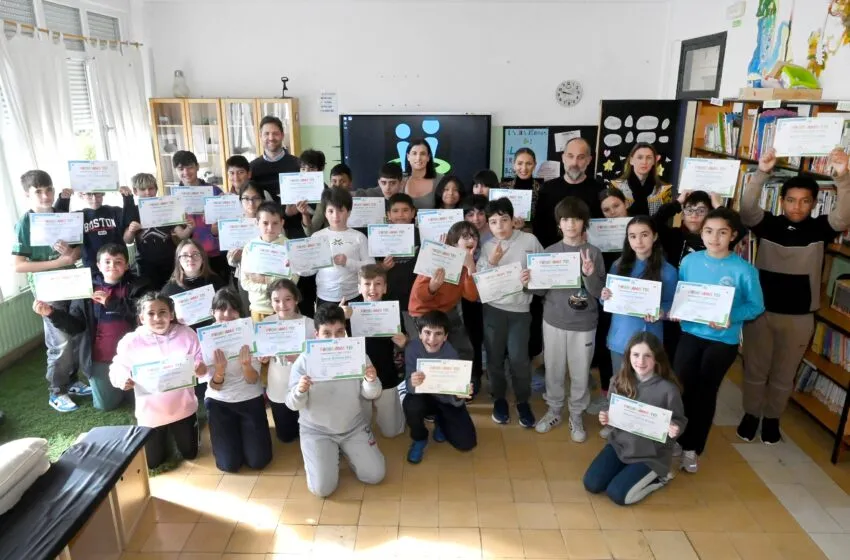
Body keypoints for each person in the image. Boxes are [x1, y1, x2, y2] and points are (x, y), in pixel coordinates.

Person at [737, 147, 850, 444]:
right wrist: (762, 172)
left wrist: (843, 177)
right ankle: (751, 414)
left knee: (784, 375)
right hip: (760, 313)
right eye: (791, 200)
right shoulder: (768, 224)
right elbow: (747, 210)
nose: (797, 207)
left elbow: (843, 216)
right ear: (782, 201)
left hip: (800, 318)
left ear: (813, 204)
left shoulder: (820, 228)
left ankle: (772, 418)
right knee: (755, 369)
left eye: (804, 202)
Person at [674, 207, 764, 473]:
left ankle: (693, 448)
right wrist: (680, 310)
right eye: (709, 231)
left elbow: (756, 306)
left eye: (722, 232)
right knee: (683, 388)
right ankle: (678, 437)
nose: (714, 238)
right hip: (690, 334)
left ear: (733, 235)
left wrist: (730, 316)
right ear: (701, 233)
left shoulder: (744, 271)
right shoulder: (690, 262)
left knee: (705, 393)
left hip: (722, 340)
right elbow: (683, 292)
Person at [285, 304, 385, 497]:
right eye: (327, 333)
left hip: (352, 425)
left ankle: (346, 450)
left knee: (375, 475)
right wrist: (300, 390)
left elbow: (372, 394)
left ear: (345, 331)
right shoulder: (304, 361)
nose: (334, 339)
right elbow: (291, 403)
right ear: (316, 334)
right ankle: (323, 453)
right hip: (316, 430)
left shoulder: (356, 354)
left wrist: (370, 380)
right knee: (322, 489)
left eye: (339, 332)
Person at [33, 243, 148, 411]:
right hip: (100, 358)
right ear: (98, 265)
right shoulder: (86, 289)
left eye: (118, 262)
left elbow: (143, 316)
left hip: (134, 356)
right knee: (106, 405)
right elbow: (76, 326)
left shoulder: (139, 285)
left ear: (126, 265)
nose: (112, 266)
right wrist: (51, 313)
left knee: (138, 397)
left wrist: (111, 303)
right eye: (107, 262)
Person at [529, 197, 605, 441]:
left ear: (585, 223)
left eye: (576, 219)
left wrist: (589, 274)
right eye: (565, 219)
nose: (571, 224)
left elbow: (598, 293)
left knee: (581, 372)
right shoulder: (550, 252)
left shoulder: (594, 253)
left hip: (583, 324)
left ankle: (576, 414)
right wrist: (528, 282)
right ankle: (553, 409)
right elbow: (540, 292)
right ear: (558, 224)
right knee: (553, 368)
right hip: (553, 321)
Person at [584, 332, 686, 506]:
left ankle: (658, 480)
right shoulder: (618, 380)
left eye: (648, 356)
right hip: (620, 447)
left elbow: (679, 420)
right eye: (636, 355)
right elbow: (611, 408)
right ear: (628, 356)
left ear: (657, 359)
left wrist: (674, 427)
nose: (641, 361)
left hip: (651, 455)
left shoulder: (668, 390)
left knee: (619, 495)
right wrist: (606, 416)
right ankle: (628, 472)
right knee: (592, 484)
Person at [14, 170, 87, 412]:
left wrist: (70, 253)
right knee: (60, 341)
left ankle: (73, 380)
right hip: (48, 290)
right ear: (27, 195)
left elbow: (76, 251)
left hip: (71, 282)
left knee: (75, 331)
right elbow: (20, 265)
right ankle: (57, 391)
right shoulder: (25, 223)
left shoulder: (62, 216)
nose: (45, 196)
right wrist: (56, 263)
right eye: (38, 192)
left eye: (49, 190)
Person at [598, 217, 677, 438]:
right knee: (619, 383)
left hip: (648, 339)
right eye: (633, 236)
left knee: (646, 387)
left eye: (644, 235)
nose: (639, 241)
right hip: (620, 337)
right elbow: (608, 302)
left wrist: (661, 312)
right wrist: (604, 296)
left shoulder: (668, 271)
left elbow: (673, 305)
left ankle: (641, 429)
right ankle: (616, 422)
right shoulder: (618, 264)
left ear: (655, 236)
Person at [109, 292, 206, 469]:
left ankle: (185, 429)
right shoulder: (131, 341)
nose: (157, 318)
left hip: (183, 407)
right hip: (151, 412)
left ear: (171, 315)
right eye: (150, 314)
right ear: (141, 318)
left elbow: (200, 357)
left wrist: (200, 366)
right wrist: (122, 379)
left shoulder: (187, 334)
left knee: (191, 453)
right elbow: (117, 366)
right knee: (153, 462)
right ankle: (160, 434)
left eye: (162, 312)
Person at [478, 198, 544, 427]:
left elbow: (544, 269)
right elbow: (480, 284)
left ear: (512, 219)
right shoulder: (486, 247)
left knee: (518, 358)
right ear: (488, 224)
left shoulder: (529, 240)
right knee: (494, 358)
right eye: (494, 222)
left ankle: (523, 400)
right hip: (494, 310)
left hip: (520, 310)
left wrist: (532, 277)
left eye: (504, 220)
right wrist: (492, 263)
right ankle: (499, 398)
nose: (500, 226)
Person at [204, 288, 272, 473]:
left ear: (240, 313)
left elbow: (253, 380)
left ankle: (246, 435)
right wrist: (219, 371)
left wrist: (246, 366)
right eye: (221, 309)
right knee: (229, 465)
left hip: (250, 398)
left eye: (233, 309)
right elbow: (213, 386)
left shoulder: (250, 335)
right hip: (220, 401)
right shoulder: (206, 338)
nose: (227, 314)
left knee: (259, 461)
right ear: (212, 313)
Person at [652, 189, 723, 362]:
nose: (694, 215)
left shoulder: (717, 240)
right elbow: (652, 223)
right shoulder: (675, 236)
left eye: (701, 211)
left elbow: (739, 230)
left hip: (703, 304)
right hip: (674, 304)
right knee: (671, 353)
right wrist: (677, 203)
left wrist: (719, 207)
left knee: (695, 356)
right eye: (689, 210)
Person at [402, 310, 477, 463]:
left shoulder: (452, 353)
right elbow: (409, 386)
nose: (432, 339)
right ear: (420, 333)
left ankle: (441, 422)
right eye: (427, 333)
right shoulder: (412, 349)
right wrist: (412, 382)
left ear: (446, 336)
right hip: (423, 397)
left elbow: (456, 394)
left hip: (445, 399)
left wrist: (460, 393)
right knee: (411, 405)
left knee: (467, 443)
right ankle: (420, 438)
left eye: (438, 334)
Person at [343, 265, 407, 437]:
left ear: (385, 287)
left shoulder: (391, 310)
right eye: (367, 284)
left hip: (386, 372)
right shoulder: (348, 311)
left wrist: (403, 342)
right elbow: (335, 343)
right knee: (361, 429)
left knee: (393, 431)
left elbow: (404, 341)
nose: (372, 289)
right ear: (359, 287)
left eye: (378, 284)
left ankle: (400, 394)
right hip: (358, 374)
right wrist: (341, 319)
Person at [408, 221, 479, 362]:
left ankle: (463, 383)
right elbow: (420, 296)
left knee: (465, 352)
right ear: (453, 243)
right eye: (465, 237)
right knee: (429, 354)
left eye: (474, 236)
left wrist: (470, 266)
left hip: (446, 310)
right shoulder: (438, 256)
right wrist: (432, 287)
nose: (471, 240)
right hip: (423, 311)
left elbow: (471, 296)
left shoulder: (468, 263)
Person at [589, 188, 630, 415]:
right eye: (606, 210)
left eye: (616, 206)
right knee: (606, 345)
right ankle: (607, 393)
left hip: (633, 300)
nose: (612, 213)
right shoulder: (598, 233)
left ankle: (628, 399)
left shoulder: (636, 230)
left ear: (626, 205)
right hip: (607, 298)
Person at [301, 187, 373, 308]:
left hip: (354, 296)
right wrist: (296, 265)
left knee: (352, 327)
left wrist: (347, 262)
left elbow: (370, 267)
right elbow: (309, 270)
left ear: (349, 212)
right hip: (325, 297)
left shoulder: (359, 237)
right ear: (325, 213)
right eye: (331, 211)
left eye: (340, 210)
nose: (336, 216)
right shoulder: (317, 236)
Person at [264, 279, 312, 444]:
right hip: (278, 386)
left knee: (307, 432)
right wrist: (262, 357)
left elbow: (319, 358)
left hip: (303, 385)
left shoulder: (310, 324)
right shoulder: (266, 324)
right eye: (276, 300)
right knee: (286, 437)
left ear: (296, 299)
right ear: (271, 302)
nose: (282, 304)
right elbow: (261, 355)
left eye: (288, 299)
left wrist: (300, 358)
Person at [534, 137, 603, 249]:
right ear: (563, 158)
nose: (574, 163)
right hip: (554, 257)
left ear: (589, 160)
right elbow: (539, 227)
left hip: (588, 256)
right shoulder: (546, 189)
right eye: (570, 156)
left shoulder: (599, 190)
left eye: (581, 157)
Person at [128, 173, 193, 291]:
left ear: (156, 189)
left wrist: (190, 227)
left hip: (169, 260)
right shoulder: (133, 211)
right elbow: (128, 240)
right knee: (152, 294)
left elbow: (182, 235)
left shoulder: (166, 207)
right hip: (146, 262)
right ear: (135, 191)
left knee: (173, 291)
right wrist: (132, 230)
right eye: (143, 189)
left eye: (151, 188)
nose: (148, 192)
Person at [172, 150, 230, 281]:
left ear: (197, 167)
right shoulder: (174, 198)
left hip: (216, 254)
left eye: (190, 167)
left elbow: (228, 224)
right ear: (176, 170)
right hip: (191, 258)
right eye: (181, 169)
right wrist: (189, 228)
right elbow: (181, 236)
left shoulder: (214, 191)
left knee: (220, 293)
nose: (186, 172)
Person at [239, 202, 297, 322]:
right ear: (257, 223)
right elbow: (245, 282)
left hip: (285, 308)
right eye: (265, 223)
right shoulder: (250, 247)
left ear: (282, 223)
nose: (270, 228)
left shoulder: (290, 247)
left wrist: (265, 279)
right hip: (259, 309)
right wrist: (270, 285)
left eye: (275, 223)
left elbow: (293, 279)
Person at [161, 239, 229, 329]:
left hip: (215, 333)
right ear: (178, 261)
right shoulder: (169, 290)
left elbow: (228, 309)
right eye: (185, 255)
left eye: (195, 254)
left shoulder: (216, 282)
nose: (190, 259)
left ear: (203, 259)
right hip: (185, 338)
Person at [461, 194, 490, 393]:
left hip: (492, 295)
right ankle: (475, 375)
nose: (476, 218)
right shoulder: (460, 237)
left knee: (492, 337)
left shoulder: (495, 235)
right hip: (469, 297)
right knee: (473, 337)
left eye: (480, 213)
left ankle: (496, 376)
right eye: (470, 214)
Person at [227, 181, 271, 311]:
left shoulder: (271, 220)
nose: (251, 203)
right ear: (240, 200)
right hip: (246, 278)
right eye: (246, 198)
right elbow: (230, 260)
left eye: (256, 198)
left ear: (262, 199)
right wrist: (235, 257)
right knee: (249, 314)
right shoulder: (235, 224)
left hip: (270, 277)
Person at [379, 193, 420, 332]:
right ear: (388, 215)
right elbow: (371, 268)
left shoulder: (422, 234)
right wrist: (383, 267)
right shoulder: (379, 236)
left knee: (413, 335)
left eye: (405, 210)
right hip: (389, 295)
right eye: (395, 211)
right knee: (394, 336)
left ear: (413, 212)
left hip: (414, 295)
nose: (401, 215)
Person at [79, 188, 138, 269]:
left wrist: (128, 197)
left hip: (118, 263)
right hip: (92, 266)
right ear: (81, 195)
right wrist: (64, 199)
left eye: (97, 193)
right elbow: (60, 222)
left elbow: (130, 219)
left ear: (102, 193)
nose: (94, 198)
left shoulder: (115, 211)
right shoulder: (78, 216)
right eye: (89, 194)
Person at [608, 143, 672, 216]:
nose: (644, 162)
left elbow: (666, 220)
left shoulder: (664, 190)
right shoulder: (616, 187)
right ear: (631, 160)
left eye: (649, 157)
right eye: (640, 157)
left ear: (654, 161)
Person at [248, 115, 301, 201]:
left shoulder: (298, 164)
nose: (271, 138)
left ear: (282, 135)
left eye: (275, 133)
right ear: (260, 136)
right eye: (266, 134)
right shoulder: (252, 167)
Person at [500, 147, 543, 225]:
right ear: (514, 165)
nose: (524, 168)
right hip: (506, 232)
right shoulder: (502, 188)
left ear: (534, 165)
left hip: (532, 234)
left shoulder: (542, 190)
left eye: (529, 164)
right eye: (520, 163)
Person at [401, 139, 443, 210]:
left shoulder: (440, 179)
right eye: (414, 153)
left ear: (428, 157)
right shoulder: (400, 179)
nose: (418, 158)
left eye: (422, 154)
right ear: (408, 157)